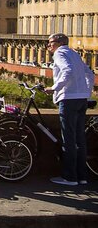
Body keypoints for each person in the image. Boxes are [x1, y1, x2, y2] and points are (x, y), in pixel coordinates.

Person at [44, 33, 93, 186]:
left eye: (50, 43)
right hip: (81, 99)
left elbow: (68, 71)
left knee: (69, 139)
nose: (48, 46)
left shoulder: (60, 53)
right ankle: (82, 176)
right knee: (80, 138)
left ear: (59, 43)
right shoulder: (74, 54)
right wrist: (86, 92)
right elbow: (90, 74)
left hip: (69, 99)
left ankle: (70, 177)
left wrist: (54, 88)